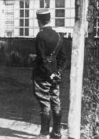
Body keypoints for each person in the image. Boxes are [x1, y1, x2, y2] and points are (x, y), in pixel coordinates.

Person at [32, 9, 66, 139]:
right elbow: (63, 58)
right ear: (49, 19)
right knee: (56, 102)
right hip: (55, 76)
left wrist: (49, 73)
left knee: (45, 103)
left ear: (39, 21)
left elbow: (41, 57)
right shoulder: (58, 36)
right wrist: (58, 73)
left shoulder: (40, 36)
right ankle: (57, 133)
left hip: (42, 75)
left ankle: (44, 134)